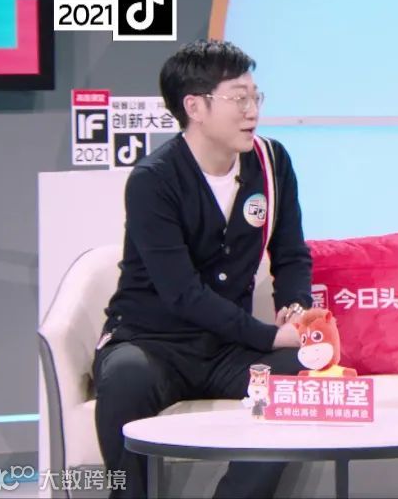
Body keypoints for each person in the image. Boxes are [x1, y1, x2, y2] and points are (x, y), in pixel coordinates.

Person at [93, 40, 313, 498]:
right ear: (194, 106)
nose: (252, 110)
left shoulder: (272, 163)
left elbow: (290, 254)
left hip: (226, 350)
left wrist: (296, 309)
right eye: (238, 98)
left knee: (299, 374)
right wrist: (269, 336)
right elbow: (182, 293)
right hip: (153, 342)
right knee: (125, 376)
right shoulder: (154, 180)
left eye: (255, 96)